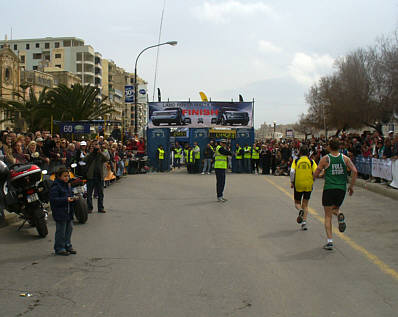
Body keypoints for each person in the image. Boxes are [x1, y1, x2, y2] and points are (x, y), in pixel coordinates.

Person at [314, 138, 358, 250]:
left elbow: (316, 173)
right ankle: (339, 215)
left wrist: (316, 177)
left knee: (327, 215)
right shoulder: (345, 158)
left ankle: (329, 241)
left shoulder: (325, 159)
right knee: (335, 209)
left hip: (329, 188)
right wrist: (351, 186)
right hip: (341, 189)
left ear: (329, 147)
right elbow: (355, 171)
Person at [50, 166, 77, 256]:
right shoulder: (56, 187)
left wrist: (74, 199)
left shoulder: (68, 185)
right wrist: (66, 199)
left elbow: (70, 195)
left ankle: (67, 245)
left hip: (68, 212)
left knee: (69, 230)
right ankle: (59, 248)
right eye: (65, 176)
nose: (67, 178)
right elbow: (54, 200)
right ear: (59, 177)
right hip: (60, 213)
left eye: (68, 176)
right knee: (61, 231)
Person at [290, 146, 318, 231]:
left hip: (298, 183)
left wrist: (292, 181)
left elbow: (292, 171)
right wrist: (313, 178)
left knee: (297, 202)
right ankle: (304, 223)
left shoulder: (296, 161)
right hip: (308, 184)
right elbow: (316, 171)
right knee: (305, 204)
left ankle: (300, 210)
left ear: (300, 152)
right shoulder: (311, 161)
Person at [84, 140, 110, 213]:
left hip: (99, 176)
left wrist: (100, 152)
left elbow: (107, 159)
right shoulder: (89, 155)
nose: (95, 147)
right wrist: (91, 153)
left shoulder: (100, 155)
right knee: (89, 193)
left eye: (96, 145)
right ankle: (89, 208)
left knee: (100, 193)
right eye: (93, 146)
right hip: (91, 176)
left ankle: (100, 207)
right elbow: (84, 160)